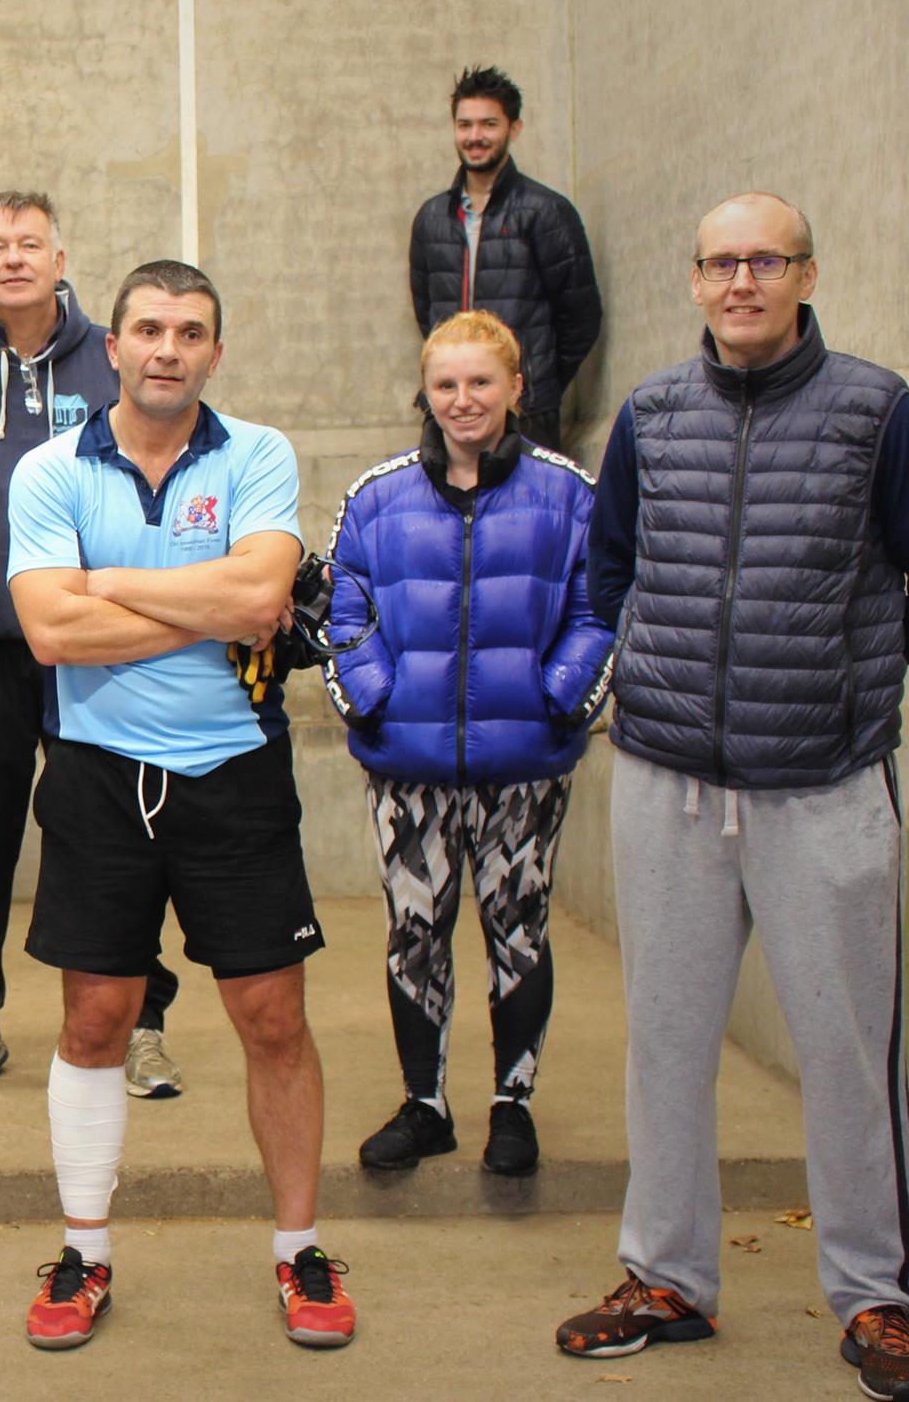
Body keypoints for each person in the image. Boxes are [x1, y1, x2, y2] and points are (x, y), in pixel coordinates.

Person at [556, 193, 909, 1401]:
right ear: (699, 279)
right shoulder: (654, 414)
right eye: (720, 261)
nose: (742, 281)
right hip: (668, 778)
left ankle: (878, 1295)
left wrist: (853, 672)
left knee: (846, 1054)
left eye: (766, 259)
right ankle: (667, 1276)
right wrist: (651, 677)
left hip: (823, 782)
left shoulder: (876, 409)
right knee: (665, 1046)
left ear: (807, 271)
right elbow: (613, 566)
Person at [6, 261, 355, 1352]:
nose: (167, 348)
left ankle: (300, 1249)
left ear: (215, 349)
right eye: (148, 329)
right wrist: (205, 603)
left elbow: (263, 596)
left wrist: (105, 578)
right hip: (99, 774)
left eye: (190, 331)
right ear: (110, 346)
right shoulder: (50, 468)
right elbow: (50, 635)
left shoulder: (256, 453)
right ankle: (84, 1252)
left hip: (235, 772)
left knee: (273, 1019)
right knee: (95, 1018)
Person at [0, 191, 186, 1099]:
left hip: (96, 646)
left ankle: (140, 1014)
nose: (13, 258)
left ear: (61, 259)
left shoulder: (110, 362)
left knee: (113, 831)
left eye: (30, 244)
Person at [320, 310, 613, 1179]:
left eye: (480, 382)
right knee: (415, 931)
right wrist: (371, 699)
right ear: (426, 391)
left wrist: (560, 699)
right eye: (445, 384)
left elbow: (600, 610)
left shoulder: (567, 494)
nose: (462, 400)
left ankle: (511, 1104)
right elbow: (340, 611)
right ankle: (425, 1104)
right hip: (405, 766)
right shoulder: (375, 498)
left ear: (515, 388)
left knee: (516, 930)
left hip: (524, 765)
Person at [407, 65, 602, 447]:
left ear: (514, 129)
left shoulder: (547, 213)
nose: (475, 136)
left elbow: (580, 317)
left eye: (488, 124)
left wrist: (533, 382)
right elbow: (426, 314)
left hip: (526, 416)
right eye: (465, 125)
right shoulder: (431, 219)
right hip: (448, 416)